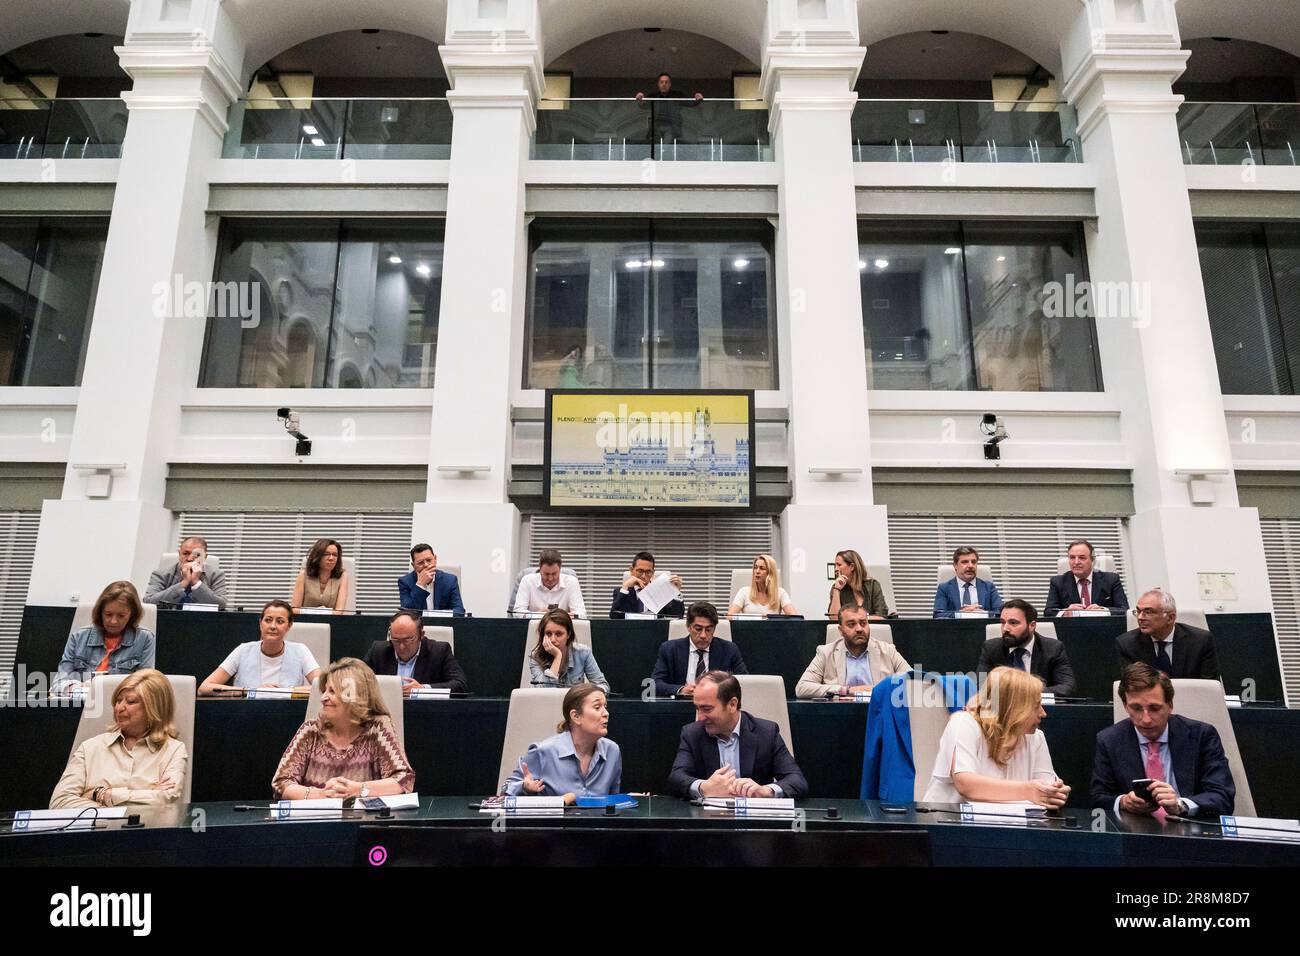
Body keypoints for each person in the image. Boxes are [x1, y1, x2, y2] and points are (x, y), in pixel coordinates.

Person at [1090, 663, 1234, 819]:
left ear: (1170, 705)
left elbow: (1222, 796)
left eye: (1154, 708)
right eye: (1136, 708)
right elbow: (1098, 797)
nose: (1145, 719)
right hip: (1137, 834)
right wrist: (1123, 802)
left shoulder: (1201, 735)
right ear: (1125, 706)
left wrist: (1180, 805)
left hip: (1191, 831)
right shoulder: (1109, 740)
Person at [923, 666, 1071, 807]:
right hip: (949, 824)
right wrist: (1028, 790)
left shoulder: (1036, 737)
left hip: (1008, 827)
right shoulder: (963, 723)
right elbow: (966, 784)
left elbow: (1044, 788)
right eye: (1036, 706)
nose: (1043, 713)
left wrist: (1053, 793)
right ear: (1014, 708)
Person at [272, 658, 415, 799]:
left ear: (355, 696)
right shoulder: (310, 730)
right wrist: (321, 794)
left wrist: (358, 789)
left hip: (364, 820)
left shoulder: (378, 728)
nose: (323, 698)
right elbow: (281, 783)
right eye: (324, 691)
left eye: (332, 691)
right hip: (315, 820)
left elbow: (403, 780)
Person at [50, 669, 187, 809]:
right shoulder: (90, 747)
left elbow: (166, 800)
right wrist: (147, 796)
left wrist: (99, 794)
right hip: (96, 830)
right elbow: (59, 803)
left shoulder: (174, 750)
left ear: (154, 707)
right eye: (118, 700)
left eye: (131, 702)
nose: (119, 708)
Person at [667, 671, 808, 800]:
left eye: (707, 709)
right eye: (697, 708)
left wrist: (765, 791)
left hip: (754, 822)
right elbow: (676, 778)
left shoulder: (766, 732)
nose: (700, 717)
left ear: (732, 705)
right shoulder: (692, 733)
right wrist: (704, 787)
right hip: (709, 822)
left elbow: (797, 781)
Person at [501, 683, 621, 798]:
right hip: (554, 819)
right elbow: (506, 791)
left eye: (605, 707)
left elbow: (613, 802)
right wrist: (524, 787)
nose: (606, 713)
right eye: (597, 707)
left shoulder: (612, 751)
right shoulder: (544, 751)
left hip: (597, 819)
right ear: (576, 716)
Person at [199, 599, 321, 694]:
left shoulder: (300, 651)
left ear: (289, 626)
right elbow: (205, 688)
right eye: (268, 620)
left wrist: (284, 692)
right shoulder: (243, 650)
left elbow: (323, 685)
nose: (273, 626)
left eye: (280, 621)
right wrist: (250, 691)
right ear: (260, 623)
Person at [54, 581, 155, 694]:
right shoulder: (78, 637)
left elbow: (147, 686)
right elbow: (58, 682)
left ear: (132, 615)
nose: (113, 621)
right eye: (108, 614)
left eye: (121, 616)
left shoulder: (145, 639)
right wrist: (74, 688)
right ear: (100, 612)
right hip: (79, 703)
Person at [796, 603, 910, 699]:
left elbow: (914, 683)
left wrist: (880, 689)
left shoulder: (888, 651)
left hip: (880, 715)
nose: (859, 629)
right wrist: (845, 690)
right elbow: (802, 688)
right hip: (841, 716)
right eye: (851, 624)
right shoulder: (826, 653)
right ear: (840, 630)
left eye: (863, 623)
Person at [976, 599, 1078, 697]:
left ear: (1032, 625)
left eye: (1013, 623)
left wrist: (1027, 693)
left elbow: (1068, 687)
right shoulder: (991, 648)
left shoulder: (1053, 648)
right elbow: (981, 686)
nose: (1005, 628)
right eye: (1003, 622)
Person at [1116, 589, 1221, 680]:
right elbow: (1131, 687)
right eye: (1138, 611)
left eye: (1148, 612)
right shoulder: (1127, 644)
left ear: (1170, 618)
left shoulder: (1201, 641)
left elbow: (1209, 685)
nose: (1140, 617)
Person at [650, 602, 747, 698]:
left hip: (716, 709)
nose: (703, 635)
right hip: (681, 707)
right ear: (688, 626)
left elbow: (744, 683)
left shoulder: (729, 650)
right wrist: (681, 690)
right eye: (698, 629)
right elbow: (655, 683)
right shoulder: (669, 649)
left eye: (708, 630)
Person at [362, 610, 468, 696]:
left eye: (407, 640)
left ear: (421, 635)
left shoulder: (439, 651)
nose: (401, 646)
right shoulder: (378, 651)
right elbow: (356, 679)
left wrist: (423, 689)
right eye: (396, 640)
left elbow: (460, 685)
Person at [528, 609, 609, 692]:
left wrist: (585, 694)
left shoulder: (583, 653)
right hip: (549, 704)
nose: (552, 639)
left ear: (569, 634)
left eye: (558, 634)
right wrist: (557, 656)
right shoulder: (536, 657)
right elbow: (544, 692)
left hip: (575, 703)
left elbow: (603, 685)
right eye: (548, 633)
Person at [1044, 538, 1129, 617]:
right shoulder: (1058, 582)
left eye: (1082, 558)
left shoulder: (1111, 580)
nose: (1076, 562)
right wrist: (1065, 612)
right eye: (1072, 558)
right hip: (1072, 630)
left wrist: (1104, 610)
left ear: (1092, 560)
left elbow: (1124, 609)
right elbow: (1048, 612)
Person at [144, 534, 227, 608]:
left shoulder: (216, 575)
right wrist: (184, 583)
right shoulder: (161, 574)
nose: (190, 558)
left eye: (197, 555)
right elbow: (149, 602)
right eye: (186, 553)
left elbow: (221, 605)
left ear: (205, 557)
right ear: (179, 554)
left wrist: (196, 583)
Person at [634, 72, 704, 148]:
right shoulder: (653, 96)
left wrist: (698, 99)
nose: (664, 84)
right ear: (658, 84)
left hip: (671, 126)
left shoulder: (677, 95)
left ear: (670, 84)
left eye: (666, 82)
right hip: (656, 126)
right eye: (661, 82)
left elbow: (690, 103)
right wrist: (640, 99)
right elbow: (644, 105)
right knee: (656, 147)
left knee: (666, 146)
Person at [513, 548, 587, 617]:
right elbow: (517, 613)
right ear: (540, 569)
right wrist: (537, 615)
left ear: (560, 569)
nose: (550, 578)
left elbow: (581, 614)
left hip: (562, 628)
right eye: (546, 574)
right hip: (534, 627)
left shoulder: (571, 582)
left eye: (554, 574)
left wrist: (562, 617)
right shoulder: (527, 580)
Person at [933, 546, 1004, 618]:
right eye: (965, 562)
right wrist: (962, 614)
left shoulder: (988, 587)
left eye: (973, 562)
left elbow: (1001, 613)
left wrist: (981, 614)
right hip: (955, 628)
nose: (970, 566)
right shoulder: (944, 588)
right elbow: (938, 615)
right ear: (955, 566)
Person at [609, 550, 685, 618]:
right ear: (631, 570)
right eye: (640, 571)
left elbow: (677, 617)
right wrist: (625, 586)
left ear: (653, 573)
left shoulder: (661, 592)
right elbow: (614, 616)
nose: (643, 576)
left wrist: (676, 592)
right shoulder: (622, 592)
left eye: (648, 572)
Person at [397, 543, 465, 614]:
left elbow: (459, 611)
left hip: (443, 623)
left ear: (435, 559)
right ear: (413, 565)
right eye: (420, 563)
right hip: (418, 624)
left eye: (429, 560)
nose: (426, 565)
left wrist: (438, 616)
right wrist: (420, 584)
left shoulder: (450, 580)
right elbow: (407, 612)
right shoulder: (405, 582)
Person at [826, 549, 889, 620]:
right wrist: (837, 590)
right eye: (835, 566)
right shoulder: (837, 587)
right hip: (847, 631)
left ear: (852, 567)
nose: (835, 569)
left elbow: (881, 617)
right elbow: (834, 618)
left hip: (872, 629)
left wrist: (855, 618)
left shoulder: (873, 585)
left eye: (839, 565)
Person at [728, 553, 796, 618]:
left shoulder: (780, 593)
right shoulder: (744, 592)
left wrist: (772, 618)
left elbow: (795, 617)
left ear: (771, 573)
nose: (757, 571)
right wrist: (755, 618)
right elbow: (730, 616)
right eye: (755, 567)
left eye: (762, 568)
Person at [291, 538, 349, 614]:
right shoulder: (303, 575)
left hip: (331, 623)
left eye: (335, 555)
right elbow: (294, 609)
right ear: (317, 556)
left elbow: (339, 612)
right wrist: (320, 612)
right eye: (326, 554)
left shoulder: (343, 576)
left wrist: (317, 612)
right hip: (306, 622)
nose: (331, 558)